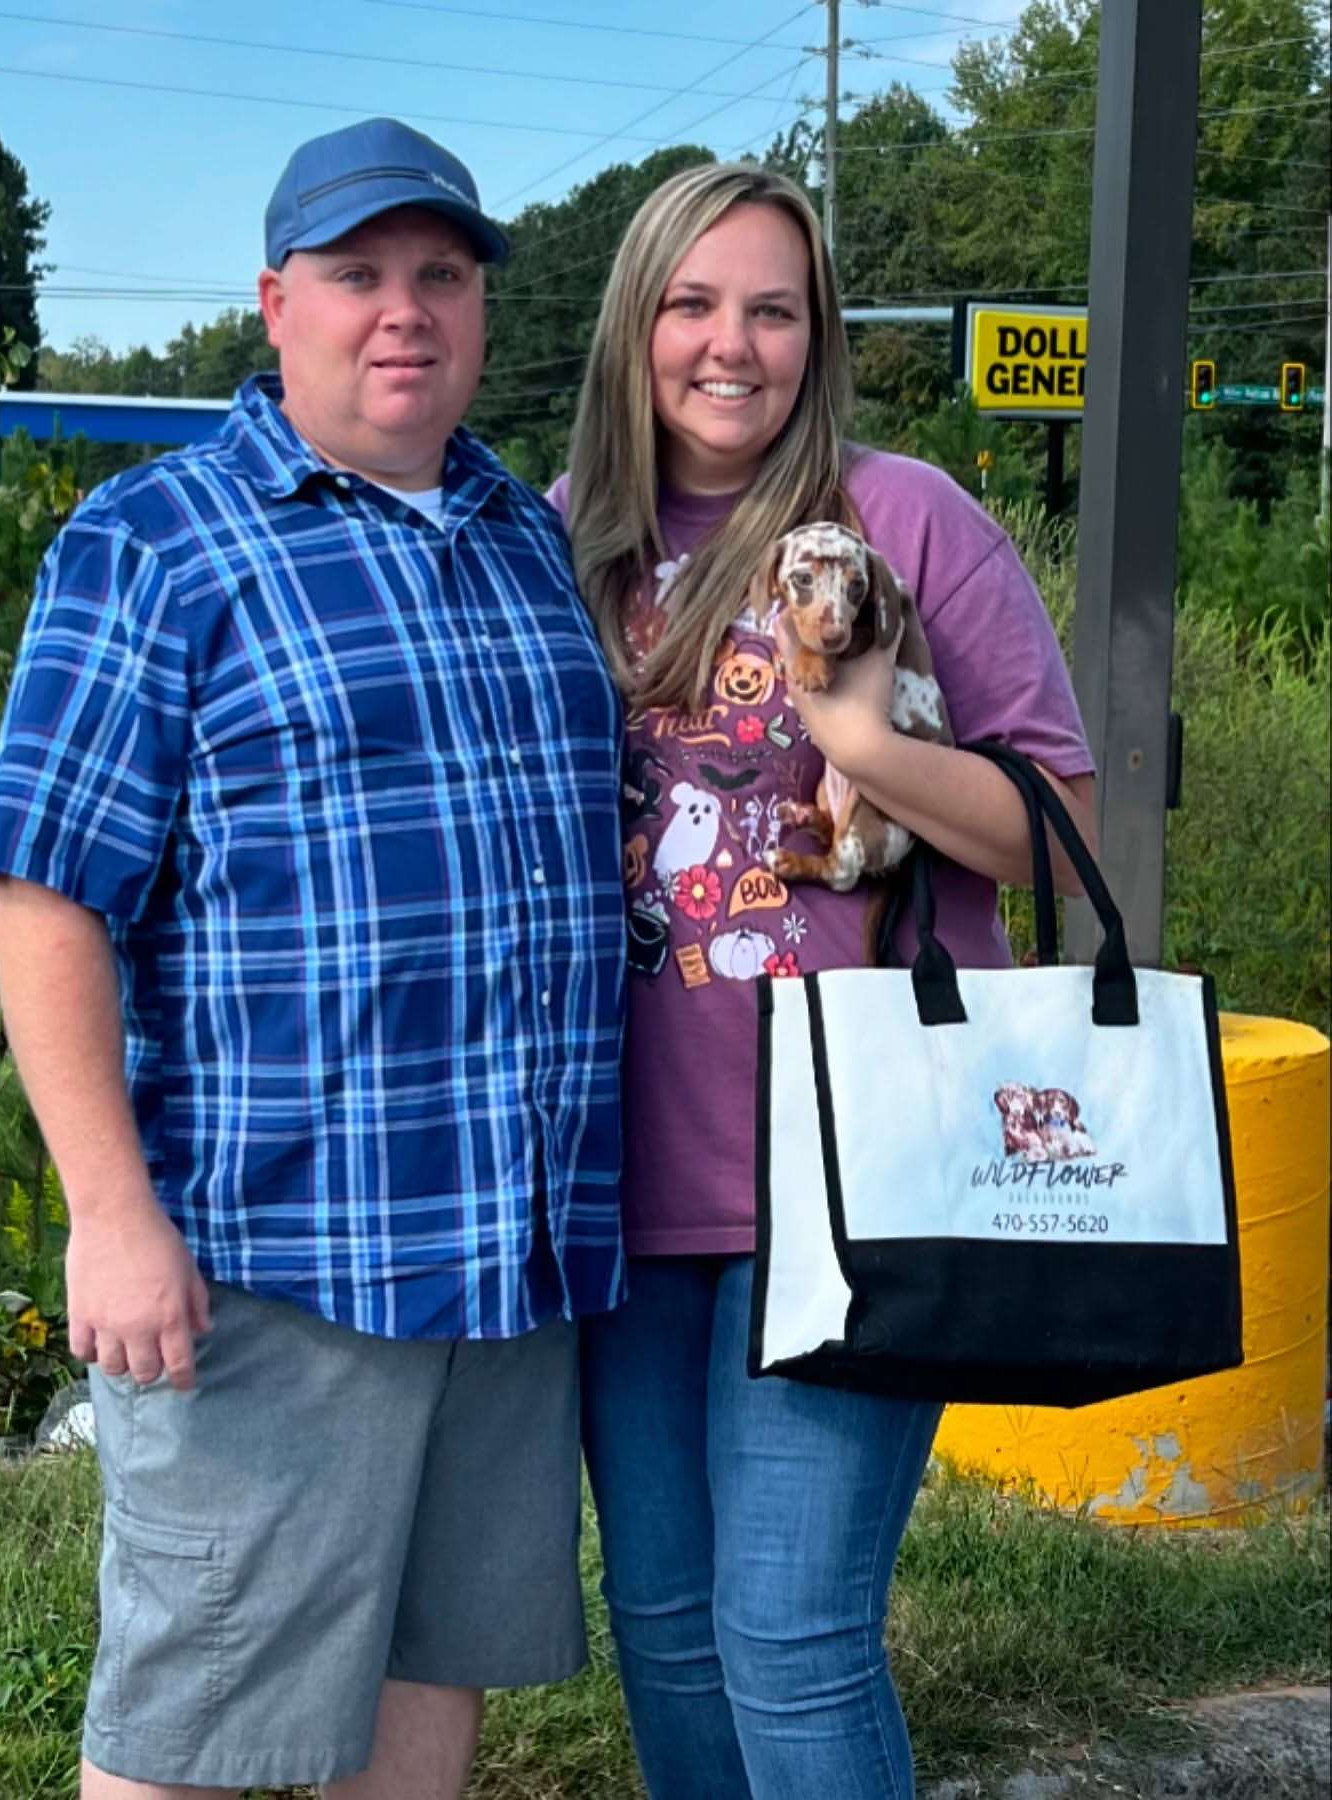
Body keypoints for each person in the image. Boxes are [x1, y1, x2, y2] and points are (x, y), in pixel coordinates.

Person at [0, 118, 626, 1800]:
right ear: (278, 305)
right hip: (275, 1262)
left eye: (441, 275)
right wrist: (110, 1217)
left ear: (481, 306)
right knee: (190, 1726)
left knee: (432, 1673)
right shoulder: (159, 542)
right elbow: (44, 894)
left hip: (508, 1255)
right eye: (357, 275)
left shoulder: (524, 537)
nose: (403, 311)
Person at [549, 162, 1097, 1799]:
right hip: (618, 1182)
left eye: (773, 310)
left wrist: (861, 736)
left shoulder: (902, 523)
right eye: (693, 304)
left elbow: (1061, 831)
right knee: (663, 1626)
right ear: (635, 324)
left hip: (861, 1178)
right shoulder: (562, 537)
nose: (732, 344)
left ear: (820, 336)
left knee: (790, 1636)